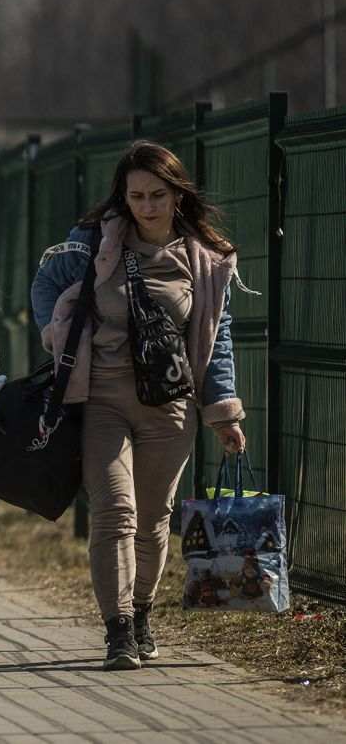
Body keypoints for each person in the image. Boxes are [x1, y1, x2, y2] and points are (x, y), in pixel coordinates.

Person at [31, 140, 247, 672]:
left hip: (169, 408)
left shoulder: (205, 258)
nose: (146, 206)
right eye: (135, 196)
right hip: (100, 397)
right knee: (114, 511)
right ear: (122, 197)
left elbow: (216, 341)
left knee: (153, 520)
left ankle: (143, 612)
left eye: (157, 195)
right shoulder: (91, 241)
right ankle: (118, 629)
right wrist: (56, 334)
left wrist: (222, 415)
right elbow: (45, 284)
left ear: (177, 194)